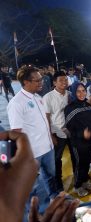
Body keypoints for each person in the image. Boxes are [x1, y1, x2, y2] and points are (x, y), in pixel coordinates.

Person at [7, 66, 58, 218]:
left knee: (50, 176)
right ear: (26, 82)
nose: (41, 82)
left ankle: (54, 198)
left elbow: (44, 122)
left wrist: (50, 137)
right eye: (38, 80)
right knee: (31, 186)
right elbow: (16, 133)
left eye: (41, 79)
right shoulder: (17, 103)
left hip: (47, 148)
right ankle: (33, 213)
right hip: (32, 153)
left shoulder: (38, 98)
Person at [43, 71, 76, 192]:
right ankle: (58, 184)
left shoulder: (71, 94)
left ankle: (78, 179)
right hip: (58, 132)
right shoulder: (48, 97)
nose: (64, 82)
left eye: (66, 80)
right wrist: (51, 135)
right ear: (54, 82)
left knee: (75, 156)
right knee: (57, 160)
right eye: (61, 80)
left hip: (71, 132)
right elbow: (46, 118)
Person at [64, 82, 91, 197]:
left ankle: (84, 181)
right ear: (73, 92)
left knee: (87, 162)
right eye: (78, 91)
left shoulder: (88, 105)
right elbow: (68, 128)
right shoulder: (69, 108)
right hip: (78, 143)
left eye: (83, 90)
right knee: (79, 164)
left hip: (90, 141)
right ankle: (77, 186)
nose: (81, 93)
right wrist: (81, 134)